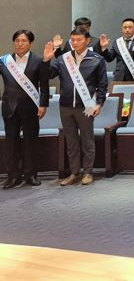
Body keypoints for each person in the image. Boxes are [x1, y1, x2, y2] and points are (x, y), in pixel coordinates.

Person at [44, 29, 107, 186]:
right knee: (71, 142)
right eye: (73, 40)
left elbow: (102, 84)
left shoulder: (97, 59)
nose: (75, 43)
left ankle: (88, 172)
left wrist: (99, 103)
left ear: (87, 40)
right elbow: (49, 75)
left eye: (79, 40)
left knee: (87, 141)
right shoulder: (63, 59)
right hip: (65, 106)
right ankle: (74, 173)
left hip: (86, 106)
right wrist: (46, 61)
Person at [0, 30, 49, 188]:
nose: (19, 44)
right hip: (10, 107)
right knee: (11, 143)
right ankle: (12, 176)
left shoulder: (39, 61)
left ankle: (30, 174)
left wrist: (43, 104)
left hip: (31, 108)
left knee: (30, 142)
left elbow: (44, 85)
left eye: (23, 41)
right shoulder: (4, 61)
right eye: (17, 41)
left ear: (30, 43)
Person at [97, 18, 134, 82]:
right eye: (125, 27)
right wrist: (104, 48)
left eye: (130, 27)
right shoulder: (117, 42)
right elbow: (109, 59)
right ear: (122, 29)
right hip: (119, 77)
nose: (127, 30)